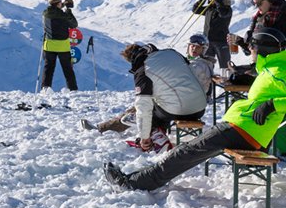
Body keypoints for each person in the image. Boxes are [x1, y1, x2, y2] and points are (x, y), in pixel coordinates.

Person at [105, 27, 286, 191]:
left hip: (244, 129)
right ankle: (138, 180)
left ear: (264, 48)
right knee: (185, 152)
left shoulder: (279, 71)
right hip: (241, 127)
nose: (250, 51)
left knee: (184, 153)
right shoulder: (271, 67)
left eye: (253, 48)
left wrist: (272, 105)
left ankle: (133, 184)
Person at [41, 0, 79, 92]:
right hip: (63, 46)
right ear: (58, 3)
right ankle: (72, 89)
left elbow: (53, 11)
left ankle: (45, 88)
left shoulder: (45, 13)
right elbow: (74, 24)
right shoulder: (64, 15)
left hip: (49, 46)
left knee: (48, 69)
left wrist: (61, 6)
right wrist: (68, 9)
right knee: (67, 69)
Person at [192, 0, 233, 71]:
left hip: (221, 42)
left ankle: (228, 81)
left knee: (225, 66)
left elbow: (223, 13)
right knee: (205, 65)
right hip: (207, 42)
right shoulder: (209, 9)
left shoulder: (226, 9)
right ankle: (208, 81)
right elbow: (195, 10)